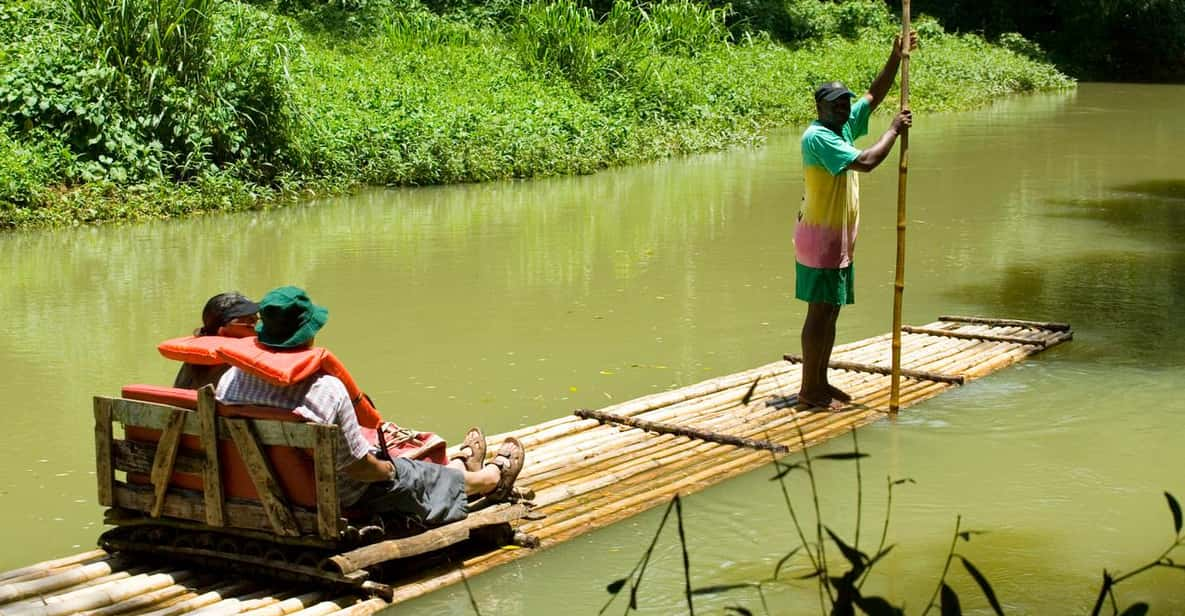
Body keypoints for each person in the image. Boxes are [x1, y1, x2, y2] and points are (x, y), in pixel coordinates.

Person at [215, 286, 524, 526]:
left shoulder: (230, 379)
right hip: (328, 498)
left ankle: (459, 467)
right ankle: (489, 480)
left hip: (259, 491)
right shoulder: (327, 389)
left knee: (409, 470)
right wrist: (389, 469)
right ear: (309, 334)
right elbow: (360, 469)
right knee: (406, 474)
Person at [795, 32, 917, 410]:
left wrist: (896, 57)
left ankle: (821, 380)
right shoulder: (818, 137)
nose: (844, 109)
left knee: (830, 308)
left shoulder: (841, 127)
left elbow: (873, 95)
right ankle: (809, 389)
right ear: (819, 107)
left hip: (838, 238)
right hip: (820, 238)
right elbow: (866, 161)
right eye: (836, 105)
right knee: (819, 310)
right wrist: (894, 129)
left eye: (845, 104)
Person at [171, 291, 259, 390]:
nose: (259, 326)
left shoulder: (195, 356)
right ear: (222, 331)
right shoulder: (236, 362)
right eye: (251, 321)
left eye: (257, 317)